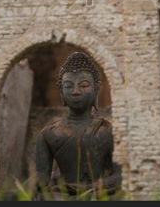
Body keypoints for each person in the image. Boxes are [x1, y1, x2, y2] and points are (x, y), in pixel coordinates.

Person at [35, 52, 120, 197]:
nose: (75, 92)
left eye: (84, 85)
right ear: (61, 92)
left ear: (96, 90)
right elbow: (41, 180)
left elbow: (120, 176)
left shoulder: (109, 131)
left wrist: (92, 188)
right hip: (63, 195)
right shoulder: (48, 134)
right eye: (68, 86)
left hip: (99, 194)